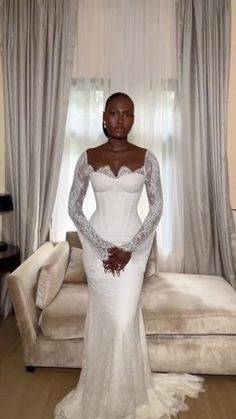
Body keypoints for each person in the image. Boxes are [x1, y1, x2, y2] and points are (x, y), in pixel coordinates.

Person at [54, 92, 203, 419]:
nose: (121, 120)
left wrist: (130, 248)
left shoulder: (148, 158)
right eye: (115, 113)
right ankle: (100, 392)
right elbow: (74, 208)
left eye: (128, 114)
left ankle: (128, 396)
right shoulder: (87, 157)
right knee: (106, 321)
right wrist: (102, 246)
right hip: (97, 252)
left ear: (133, 119)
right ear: (104, 116)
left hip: (132, 252)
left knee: (123, 321)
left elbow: (157, 207)